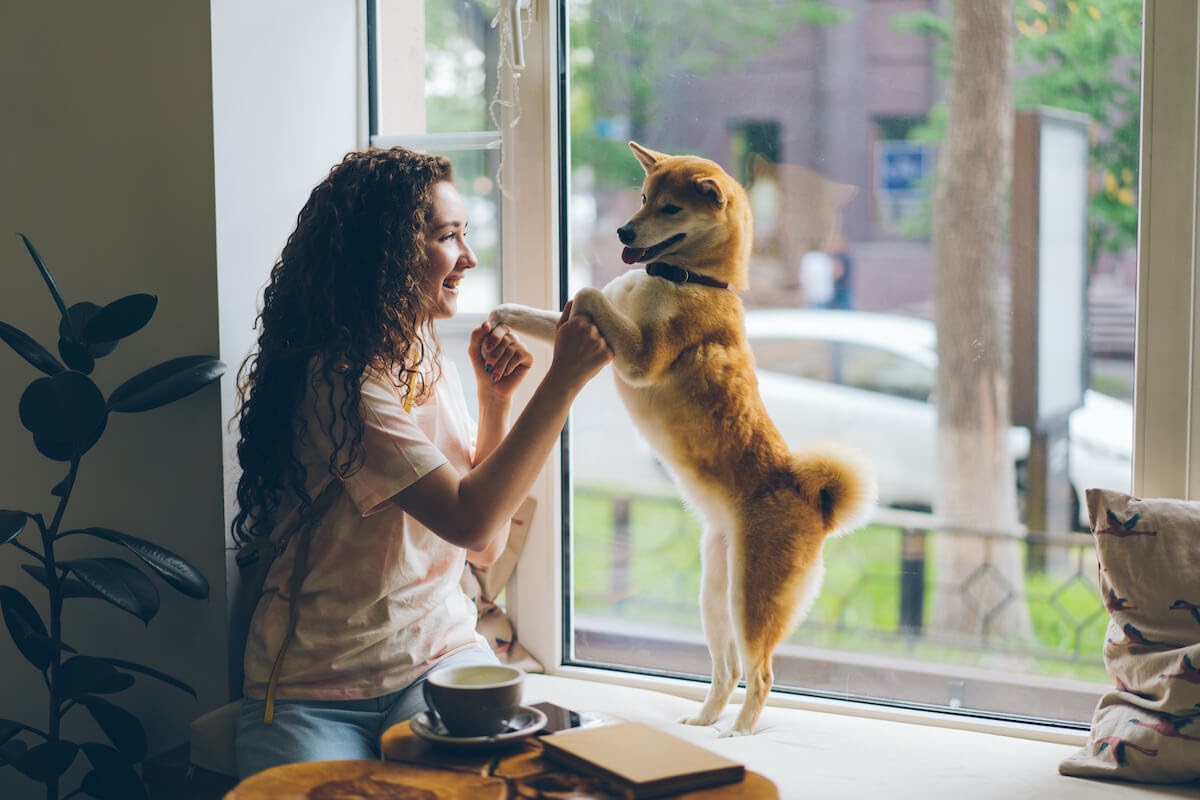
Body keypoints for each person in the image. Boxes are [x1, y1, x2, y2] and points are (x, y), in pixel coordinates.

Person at [230, 146, 613, 777]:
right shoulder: (339, 382)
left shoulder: (423, 360)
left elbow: (482, 550)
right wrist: (562, 381)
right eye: (448, 236)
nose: (468, 257)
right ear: (384, 254)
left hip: (436, 656)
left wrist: (496, 403)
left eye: (466, 234)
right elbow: (472, 523)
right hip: (310, 689)